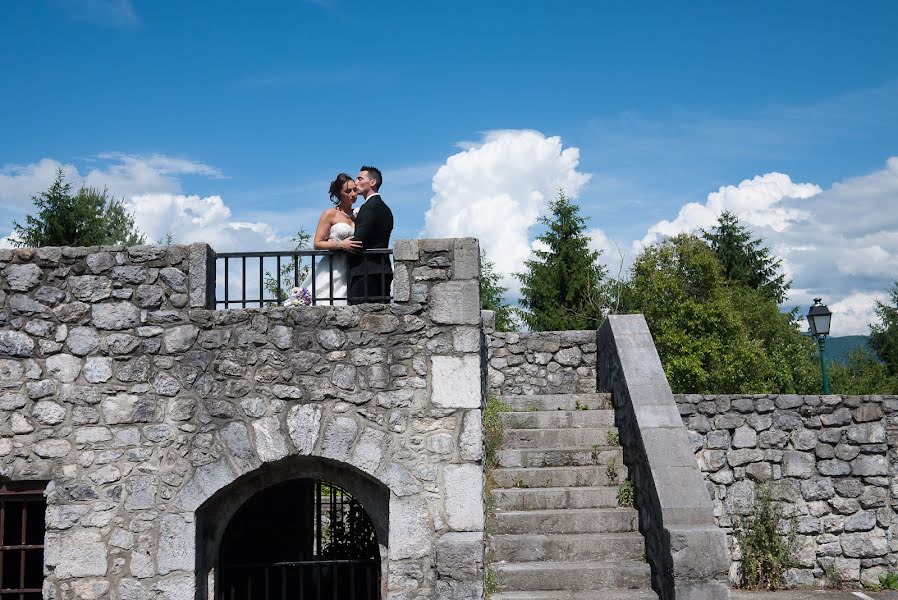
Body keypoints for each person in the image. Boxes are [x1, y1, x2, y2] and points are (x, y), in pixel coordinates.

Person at [299, 173, 362, 304]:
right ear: (339, 194)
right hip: (333, 265)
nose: (353, 194)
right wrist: (340, 245)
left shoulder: (357, 214)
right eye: (348, 191)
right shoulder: (330, 214)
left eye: (355, 190)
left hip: (353, 266)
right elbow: (317, 243)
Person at [347, 165, 393, 304]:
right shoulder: (385, 208)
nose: (356, 182)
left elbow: (357, 242)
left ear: (372, 182)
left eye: (360, 178)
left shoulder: (369, 208)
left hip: (365, 273)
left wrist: (338, 245)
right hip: (382, 269)